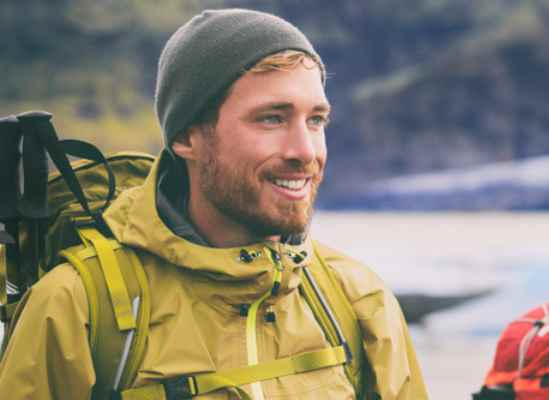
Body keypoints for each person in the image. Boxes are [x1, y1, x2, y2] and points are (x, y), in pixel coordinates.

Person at [0, 9, 428, 399]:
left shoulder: (355, 299)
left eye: (316, 120)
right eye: (272, 118)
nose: (305, 150)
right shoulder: (77, 306)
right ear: (186, 137)